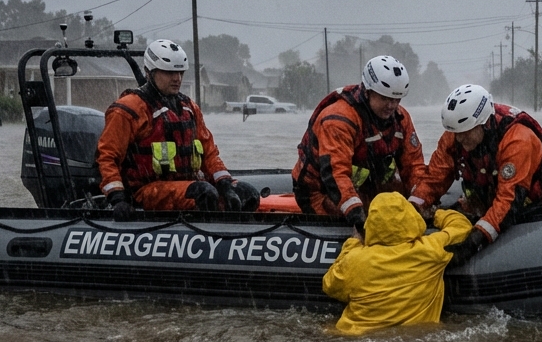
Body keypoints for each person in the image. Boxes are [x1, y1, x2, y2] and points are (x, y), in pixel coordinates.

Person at [96, 39, 260, 217]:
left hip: (187, 185)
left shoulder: (188, 107)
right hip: (147, 191)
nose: (177, 78)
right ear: (150, 73)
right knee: (203, 193)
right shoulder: (129, 110)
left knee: (247, 194)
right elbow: (107, 157)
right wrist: (118, 198)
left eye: (180, 72)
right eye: (169, 73)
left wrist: (225, 185)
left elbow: (209, 153)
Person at [409, 84, 542, 265]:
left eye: (465, 133)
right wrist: (411, 209)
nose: (460, 139)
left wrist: (473, 243)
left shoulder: (517, 139)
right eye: (456, 133)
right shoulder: (455, 135)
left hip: (540, 203)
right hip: (489, 197)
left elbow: (508, 202)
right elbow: (434, 178)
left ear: (484, 123)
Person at [292, 55, 426, 232]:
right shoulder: (339, 119)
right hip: (321, 189)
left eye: (397, 99)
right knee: (346, 211)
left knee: (397, 201)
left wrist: (420, 200)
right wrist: (358, 218)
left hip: (364, 183)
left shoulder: (401, 119)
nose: (391, 105)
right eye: (385, 98)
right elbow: (336, 174)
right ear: (368, 91)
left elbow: (414, 165)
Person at [321, 191, 473, 335]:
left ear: (371, 222)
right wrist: (435, 214)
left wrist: (353, 242)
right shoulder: (431, 250)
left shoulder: (355, 260)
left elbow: (329, 285)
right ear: (411, 217)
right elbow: (461, 225)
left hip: (353, 338)